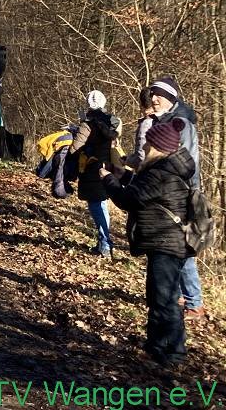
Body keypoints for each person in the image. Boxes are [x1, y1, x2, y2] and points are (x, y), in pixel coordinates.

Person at [100, 119, 193, 366]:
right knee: (158, 296)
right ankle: (156, 346)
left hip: (166, 243)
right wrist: (122, 174)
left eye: (148, 144)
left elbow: (128, 199)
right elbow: (141, 188)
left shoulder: (161, 173)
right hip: (165, 242)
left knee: (165, 299)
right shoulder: (165, 169)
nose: (144, 148)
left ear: (158, 147)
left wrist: (108, 179)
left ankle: (172, 354)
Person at [150, 76, 205, 321]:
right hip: (167, 193)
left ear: (170, 98)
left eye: (159, 95)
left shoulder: (181, 123)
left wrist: (190, 195)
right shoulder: (165, 119)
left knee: (183, 248)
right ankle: (183, 297)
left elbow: (188, 163)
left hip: (179, 195)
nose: (153, 98)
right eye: (153, 94)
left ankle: (195, 304)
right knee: (175, 248)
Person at [69, 90, 121, 259]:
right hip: (106, 168)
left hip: (91, 169)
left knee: (96, 206)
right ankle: (104, 243)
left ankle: (105, 244)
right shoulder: (112, 121)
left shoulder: (88, 124)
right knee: (102, 205)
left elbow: (75, 149)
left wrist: (74, 133)